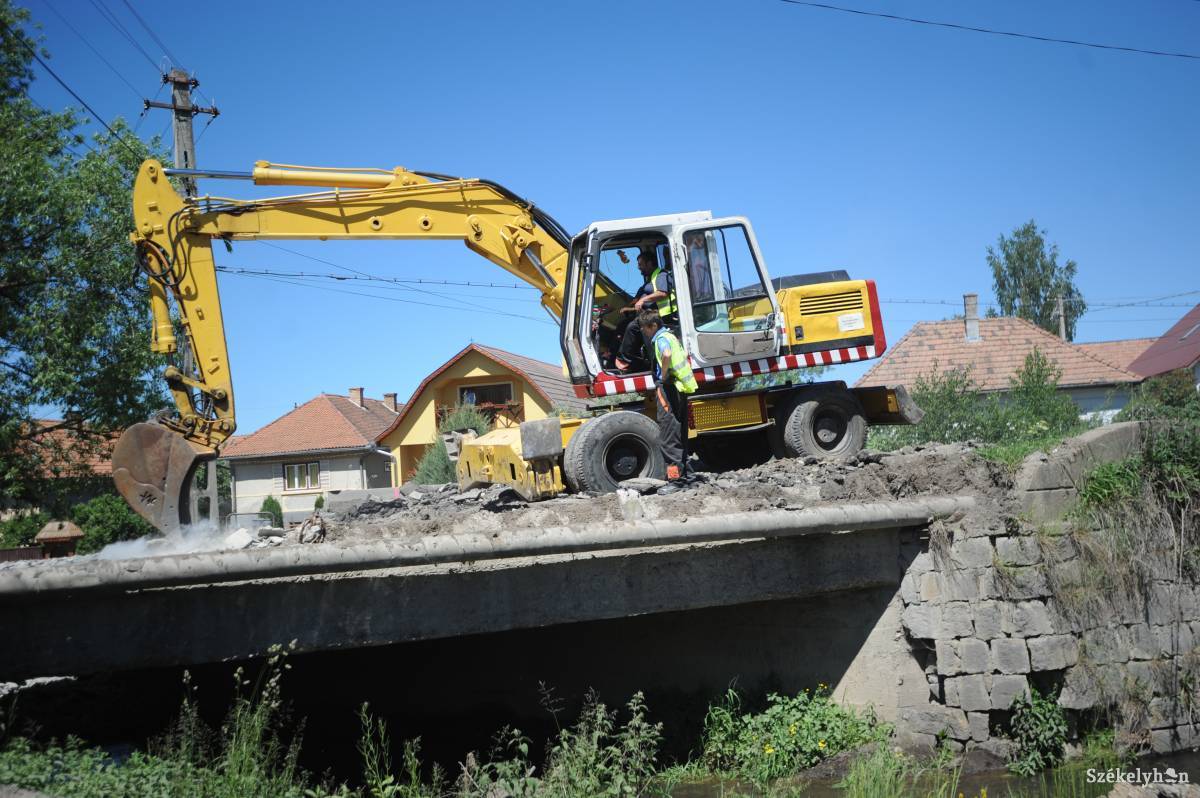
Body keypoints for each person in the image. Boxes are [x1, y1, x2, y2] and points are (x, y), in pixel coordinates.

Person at [637, 306, 697, 494]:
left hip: (669, 388)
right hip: (680, 388)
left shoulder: (661, 339)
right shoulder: (671, 336)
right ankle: (689, 477)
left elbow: (667, 355)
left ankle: (676, 481)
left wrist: (662, 377)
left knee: (668, 439)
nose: (643, 332)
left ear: (653, 325)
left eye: (644, 328)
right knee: (680, 435)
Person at [614, 251, 674, 372]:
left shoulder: (661, 275)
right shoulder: (650, 279)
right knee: (623, 325)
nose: (638, 267)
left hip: (662, 315)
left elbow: (662, 292)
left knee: (633, 327)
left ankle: (624, 359)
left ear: (649, 263)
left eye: (641, 264)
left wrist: (643, 300)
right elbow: (639, 299)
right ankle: (632, 360)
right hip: (651, 314)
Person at [685, 231, 716, 325]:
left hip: (706, 297)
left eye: (699, 239)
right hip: (696, 297)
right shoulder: (690, 257)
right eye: (695, 240)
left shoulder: (706, 255)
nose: (698, 243)